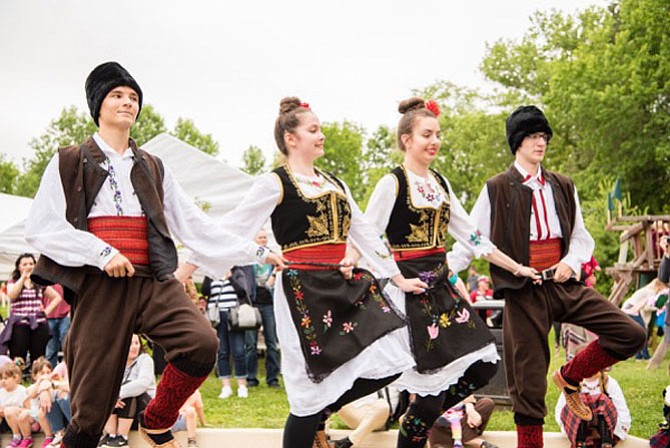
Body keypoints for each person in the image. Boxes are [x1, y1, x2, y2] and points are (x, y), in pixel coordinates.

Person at [24, 61, 283, 448]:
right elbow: (41, 227)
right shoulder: (68, 160)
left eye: (133, 97)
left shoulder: (154, 167)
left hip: (153, 278)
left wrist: (255, 249)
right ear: (98, 106)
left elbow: (195, 225)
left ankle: (158, 419)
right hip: (101, 286)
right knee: (90, 412)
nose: (128, 102)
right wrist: (100, 251)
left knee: (201, 343)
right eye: (117, 95)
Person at [179, 97, 427, 448]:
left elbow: (366, 231)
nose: (322, 135)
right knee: (306, 396)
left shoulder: (334, 183)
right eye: (314, 130)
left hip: (342, 287)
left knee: (392, 360)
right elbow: (234, 227)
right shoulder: (275, 182)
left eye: (320, 129)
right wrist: (187, 268)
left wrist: (396, 276)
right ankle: (314, 416)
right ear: (291, 138)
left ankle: (322, 413)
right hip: (301, 292)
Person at [450, 105, 646, 447]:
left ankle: (570, 376)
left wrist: (572, 261)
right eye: (531, 136)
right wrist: (448, 272)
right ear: (517, 142)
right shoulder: (496, 188)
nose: (539, 143)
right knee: (528, 386)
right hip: (522, 290)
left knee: (630, 332)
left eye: (543, 136)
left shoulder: (562, 185)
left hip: (563, 282)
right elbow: (471, 238)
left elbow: (583, 237)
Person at [363, 97, 539, 448]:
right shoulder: (392, 183)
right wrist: (395, 277)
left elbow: (473, 236)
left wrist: (516, 266)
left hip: (442, 289)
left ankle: (420, 421)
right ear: (406, 140)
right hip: (411, 293)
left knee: (484, 366)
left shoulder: (440, 183)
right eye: (426, 134)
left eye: (438, 134)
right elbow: (368, 237)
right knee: (427, 394)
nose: (435, 141)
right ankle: (417, 424)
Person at [2, 254, 62, 369]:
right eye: (25, 264)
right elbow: (12, 296)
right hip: (19, 324)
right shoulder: (13, 281)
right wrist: (23, 278)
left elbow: (57, 297)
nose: (28, 266)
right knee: (18, 354)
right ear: (19, 267)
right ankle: (17, 378)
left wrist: (45, 313)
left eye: (31, 264)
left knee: (38, 355)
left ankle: (37, 377)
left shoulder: (38, 283)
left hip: (38, 324)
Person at [98, 334, 156, 448]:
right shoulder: (115, 363)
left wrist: (117, 395)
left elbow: (143, 383)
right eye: (130, 344)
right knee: (109, 391)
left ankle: (122, 438)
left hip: (145, 411)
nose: (134, 347)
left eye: (136, 343)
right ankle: (112, 435)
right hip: (124, 414)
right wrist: (111, 397)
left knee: (128, 389)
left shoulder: (145, 360)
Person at [202, 270, 250, 399]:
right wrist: (209, 274)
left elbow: (242, 292)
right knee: (222, 351)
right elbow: (205, 291)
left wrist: (230, 278)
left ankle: (242, 385)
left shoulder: (237, 273)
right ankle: (226, 386)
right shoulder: (211, 273)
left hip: (234, 315)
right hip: (216, 317)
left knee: (239, 351)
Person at [554, 370, 631, 447]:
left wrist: (615, 432)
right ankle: (580, 441)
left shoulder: (609, 383)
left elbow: (623, 413)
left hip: (604, 429)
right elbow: (561, 412)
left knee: (602, 400)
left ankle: (606, 442)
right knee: (579, 400)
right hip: (580, 429)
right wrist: (571, 432)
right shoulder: (573, 384)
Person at [245, 229, 281, 389]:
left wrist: (274, 274)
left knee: (272, 342)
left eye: (265, 237)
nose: (263, 240)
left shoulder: (274, 257)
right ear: (255, 240)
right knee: (251, 344)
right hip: (252, 303)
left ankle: (272, 378)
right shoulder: (248, 258)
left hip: (270, 304)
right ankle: (251, 378)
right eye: (260, 237)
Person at [329, 385, 401, 448]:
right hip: (355, 413)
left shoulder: (397, 373)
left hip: (380, 417)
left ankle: (349, 441)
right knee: (332, 395)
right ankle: (322, 433)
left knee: (382, 405)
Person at [621, 279, 668, 361]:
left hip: (632, 309)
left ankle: (639, 356)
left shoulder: (648, 291)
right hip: (631, 308)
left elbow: (643, 309)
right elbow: (646, 308)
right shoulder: (651, 292)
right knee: (642, 333)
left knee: (641, 332)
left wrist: (645, 323)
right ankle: (644, 356)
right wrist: (658, 308)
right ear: (660, 286)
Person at [15, 357, 56, 448]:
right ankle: (27, 438)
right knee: (23, 415)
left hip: (47, 416)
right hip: (34, 418)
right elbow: (32, 395)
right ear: (34, 376)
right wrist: (40, 383)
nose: (45, 375)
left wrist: (46, 385)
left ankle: (49, 437)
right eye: (42, 374)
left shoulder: (51, 385)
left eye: (48, 373)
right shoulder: (32, 387)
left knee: (41, 413)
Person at [428, 395, 497, 448]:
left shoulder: (454, 379)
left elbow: (468, 395)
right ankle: (470, 439)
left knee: (486, 403)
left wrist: (470, 410)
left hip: (465, 421)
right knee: (432, 418)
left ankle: (469, 439)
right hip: (443, 425)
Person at [0, 362, 29, 448]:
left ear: (15, 378)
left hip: (19, 423)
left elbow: (28, 409)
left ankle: (17, 437)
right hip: (6, 422)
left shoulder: (22, 391)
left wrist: (9, 410)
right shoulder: (1, 392)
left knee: (9, 411)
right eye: (1, 379)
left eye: (6, 378)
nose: (3, 381)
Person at [43, 284, 70, 369]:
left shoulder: (66, 276)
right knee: (50, 348)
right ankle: (50, 371)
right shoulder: (44, 276)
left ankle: (67, 370)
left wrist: (70, 313)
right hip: (49, 317)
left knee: (66, 345)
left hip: (65, 316)